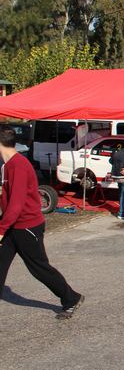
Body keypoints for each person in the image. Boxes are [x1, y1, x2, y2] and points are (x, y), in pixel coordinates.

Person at [0, 125, 85, 319]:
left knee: (39, 268)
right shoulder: (7, 165)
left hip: (27, 226)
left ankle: (71, 298)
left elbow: (16, 204)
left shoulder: (18, 165)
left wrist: (1, 229)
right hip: (12, 224)